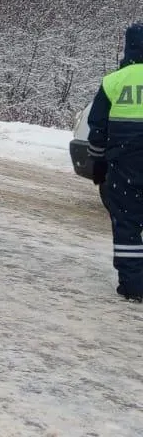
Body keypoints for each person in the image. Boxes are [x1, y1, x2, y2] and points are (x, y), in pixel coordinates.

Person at [86, 22, 143, 303]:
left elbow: (97, 128)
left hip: (125, 166)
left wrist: (97, 162)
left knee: (127, 223)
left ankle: (133, 286)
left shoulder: (114, 81)